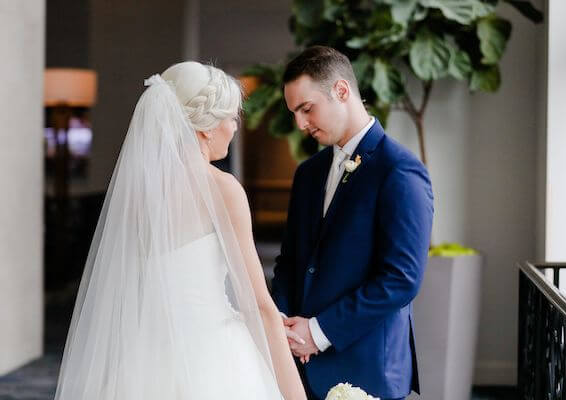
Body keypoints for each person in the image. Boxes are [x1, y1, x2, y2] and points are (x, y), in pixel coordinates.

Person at [53, 61, 306, 400]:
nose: (234, 127)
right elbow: (258, 307)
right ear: (208, 127)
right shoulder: (224, 189)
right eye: (232, 117)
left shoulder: (137, 195)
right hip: (214, 358)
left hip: (143, 358)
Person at [271, 46, 434, 400]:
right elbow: (291, 261)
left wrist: (318, 331)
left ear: (341, 91)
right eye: (294, 113)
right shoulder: (308, 173)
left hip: (366, 369)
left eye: (307, 108)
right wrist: (282, 325)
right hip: (298, 368)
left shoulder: (399, 171)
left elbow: (401, 279)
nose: (300, 124)